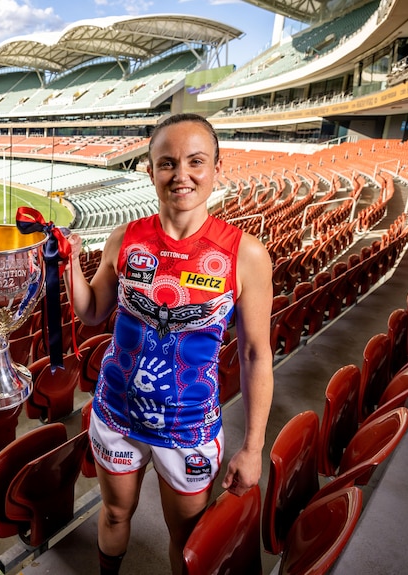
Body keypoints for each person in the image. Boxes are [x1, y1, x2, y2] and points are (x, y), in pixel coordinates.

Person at [64, 113, 274, 575]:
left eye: (195, 161)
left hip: (189, 428)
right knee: (116, 512)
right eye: (167, 163)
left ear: (217, 168)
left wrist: (253, 447)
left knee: (185, 540)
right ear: (151, 171)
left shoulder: (247, 254)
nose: (181, 175)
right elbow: (93, 310)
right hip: (116, 413)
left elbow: (257, 356)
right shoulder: (125, 237)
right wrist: (69, 263)